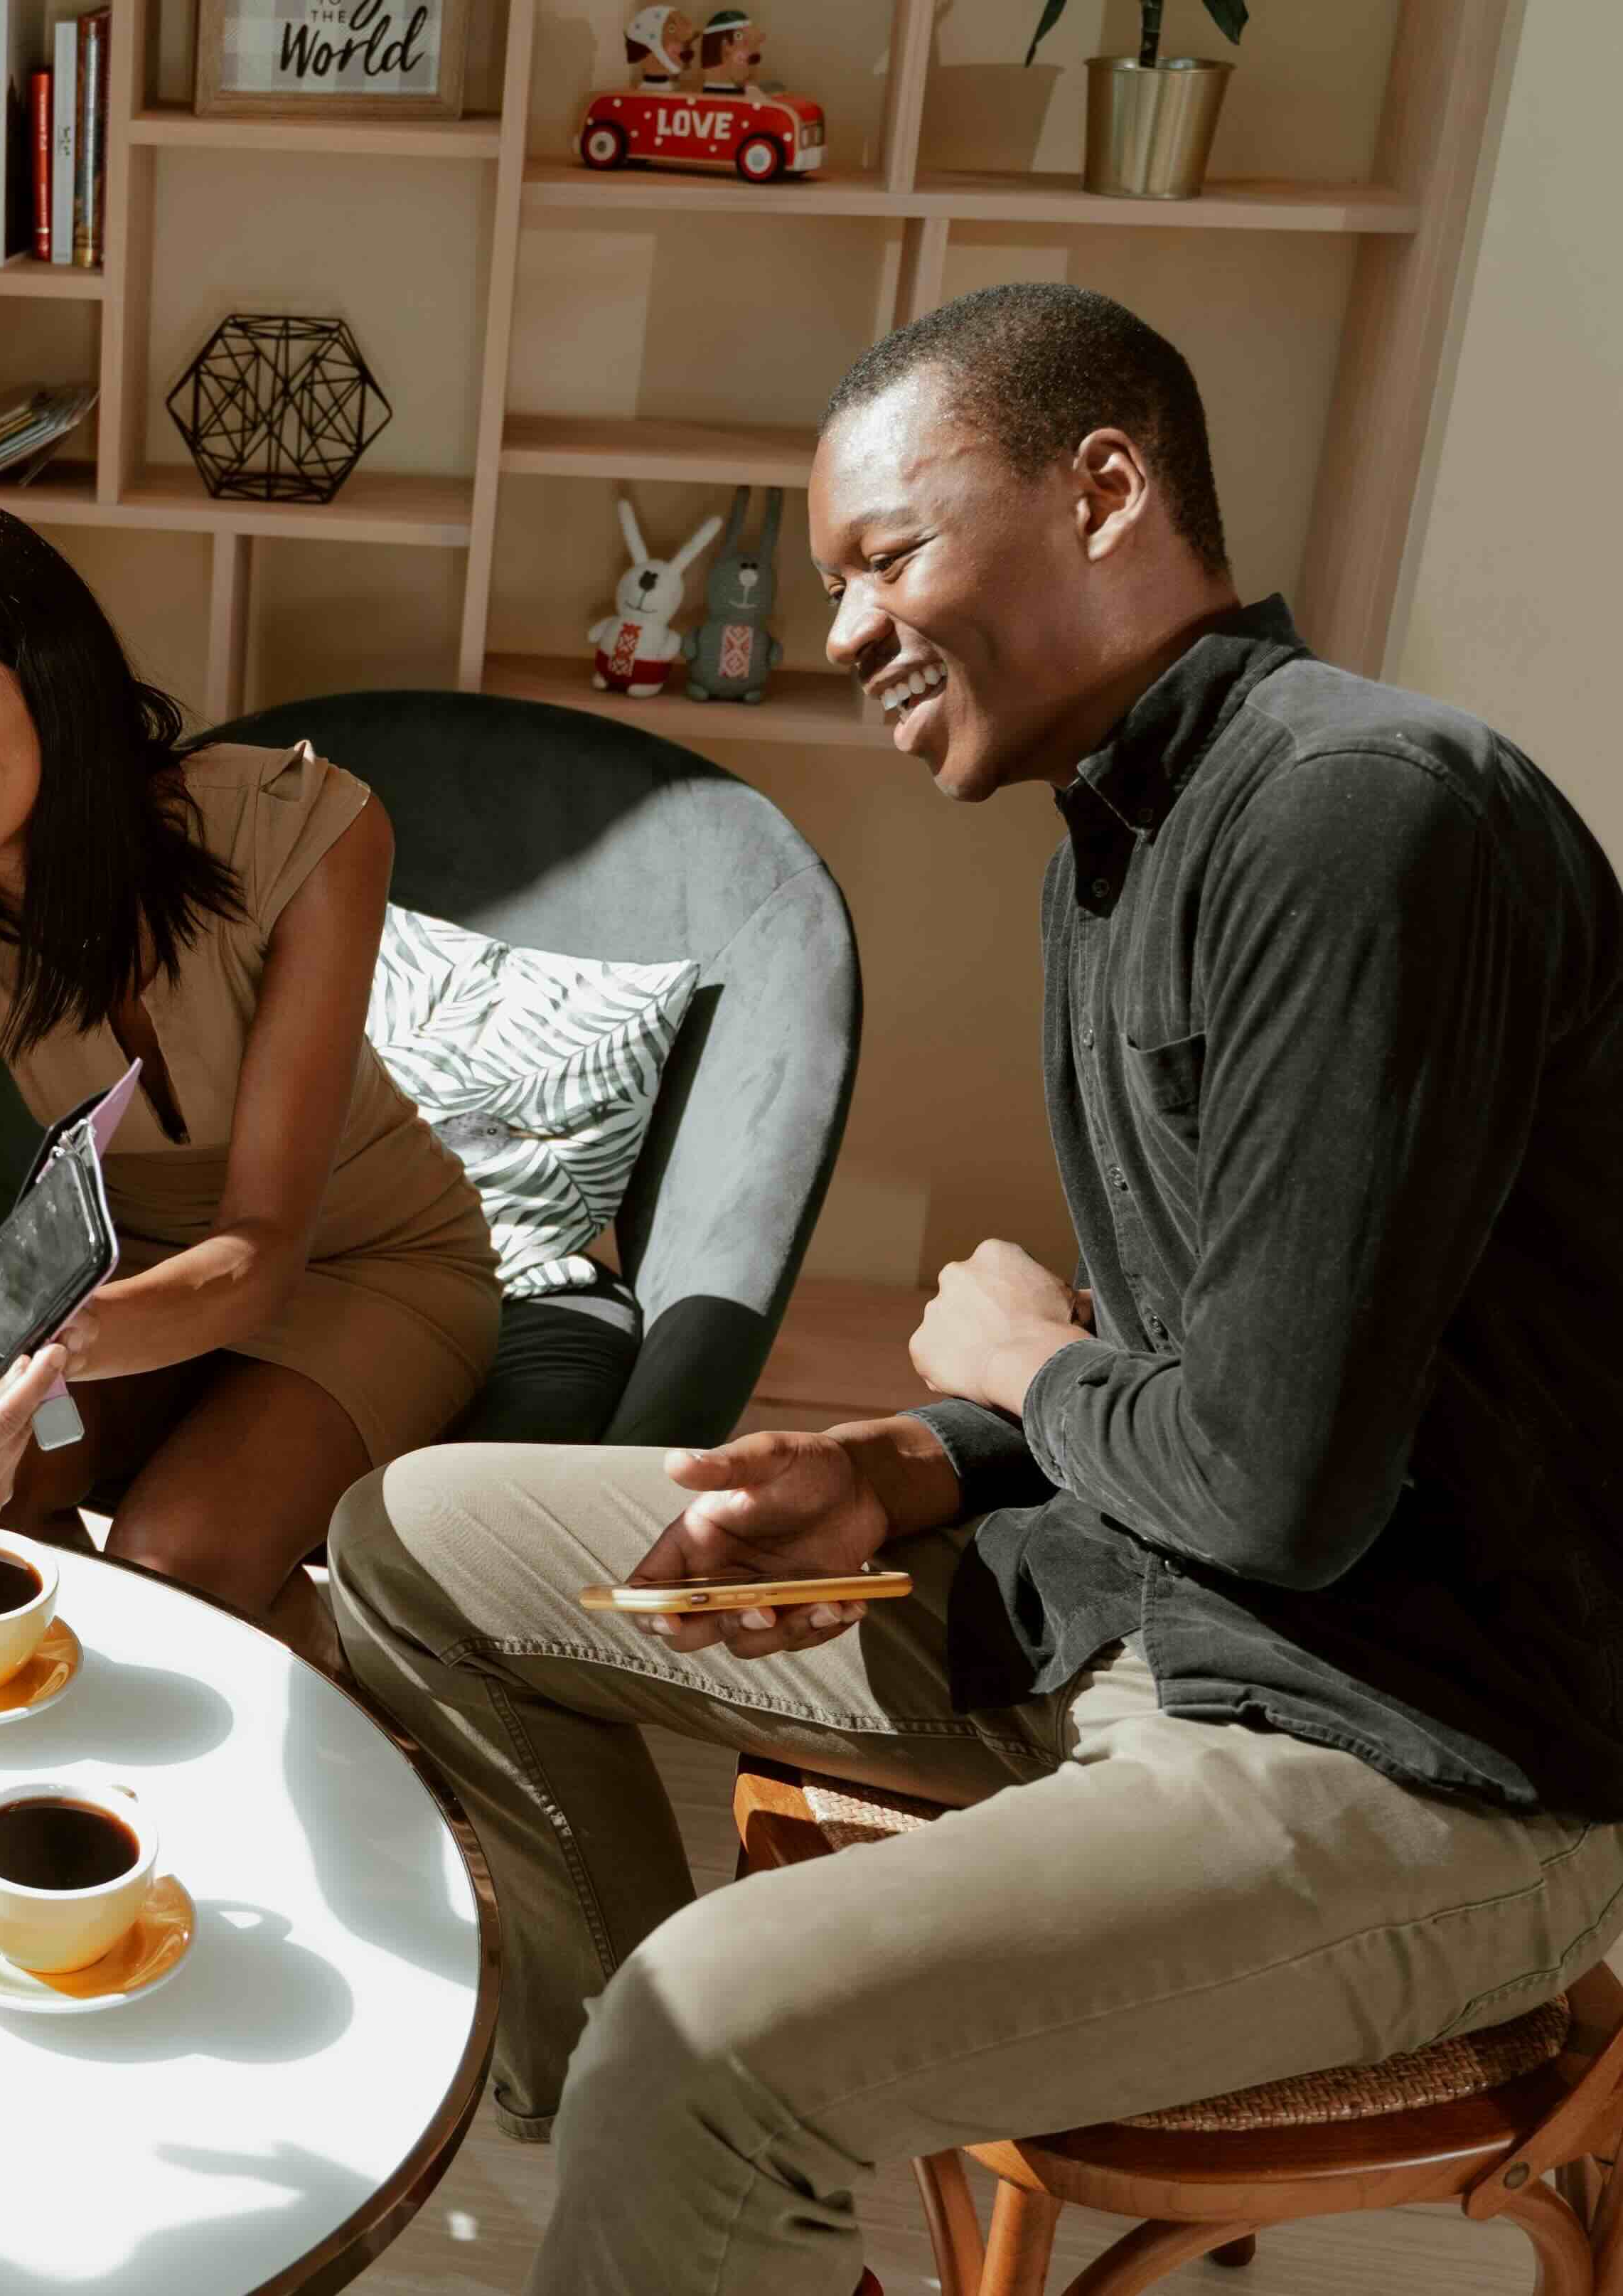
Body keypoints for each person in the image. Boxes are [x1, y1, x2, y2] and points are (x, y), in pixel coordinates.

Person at [329, 283, 1623, 2295]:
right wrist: (923, 1460)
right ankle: (677, 2190)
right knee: (409, 1535)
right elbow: (1203, 1352)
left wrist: (1019, 1357)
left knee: (715, 2025)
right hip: (1119, 1601)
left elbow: (1271, 1478)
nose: (841, 627)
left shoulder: (1358, 818)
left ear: (1102, 486)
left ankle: (685, 2134)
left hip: (1408, 1748)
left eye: (886, 554)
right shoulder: (1112, 839)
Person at [0, 502, 500, 1660]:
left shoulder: (299, 830)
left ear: (51, 682)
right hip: (113, 1279)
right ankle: (230, 1686)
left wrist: (33, 1362)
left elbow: (264, 1246)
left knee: (165, 1566)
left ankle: (316, 1664)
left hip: (369, 1266)